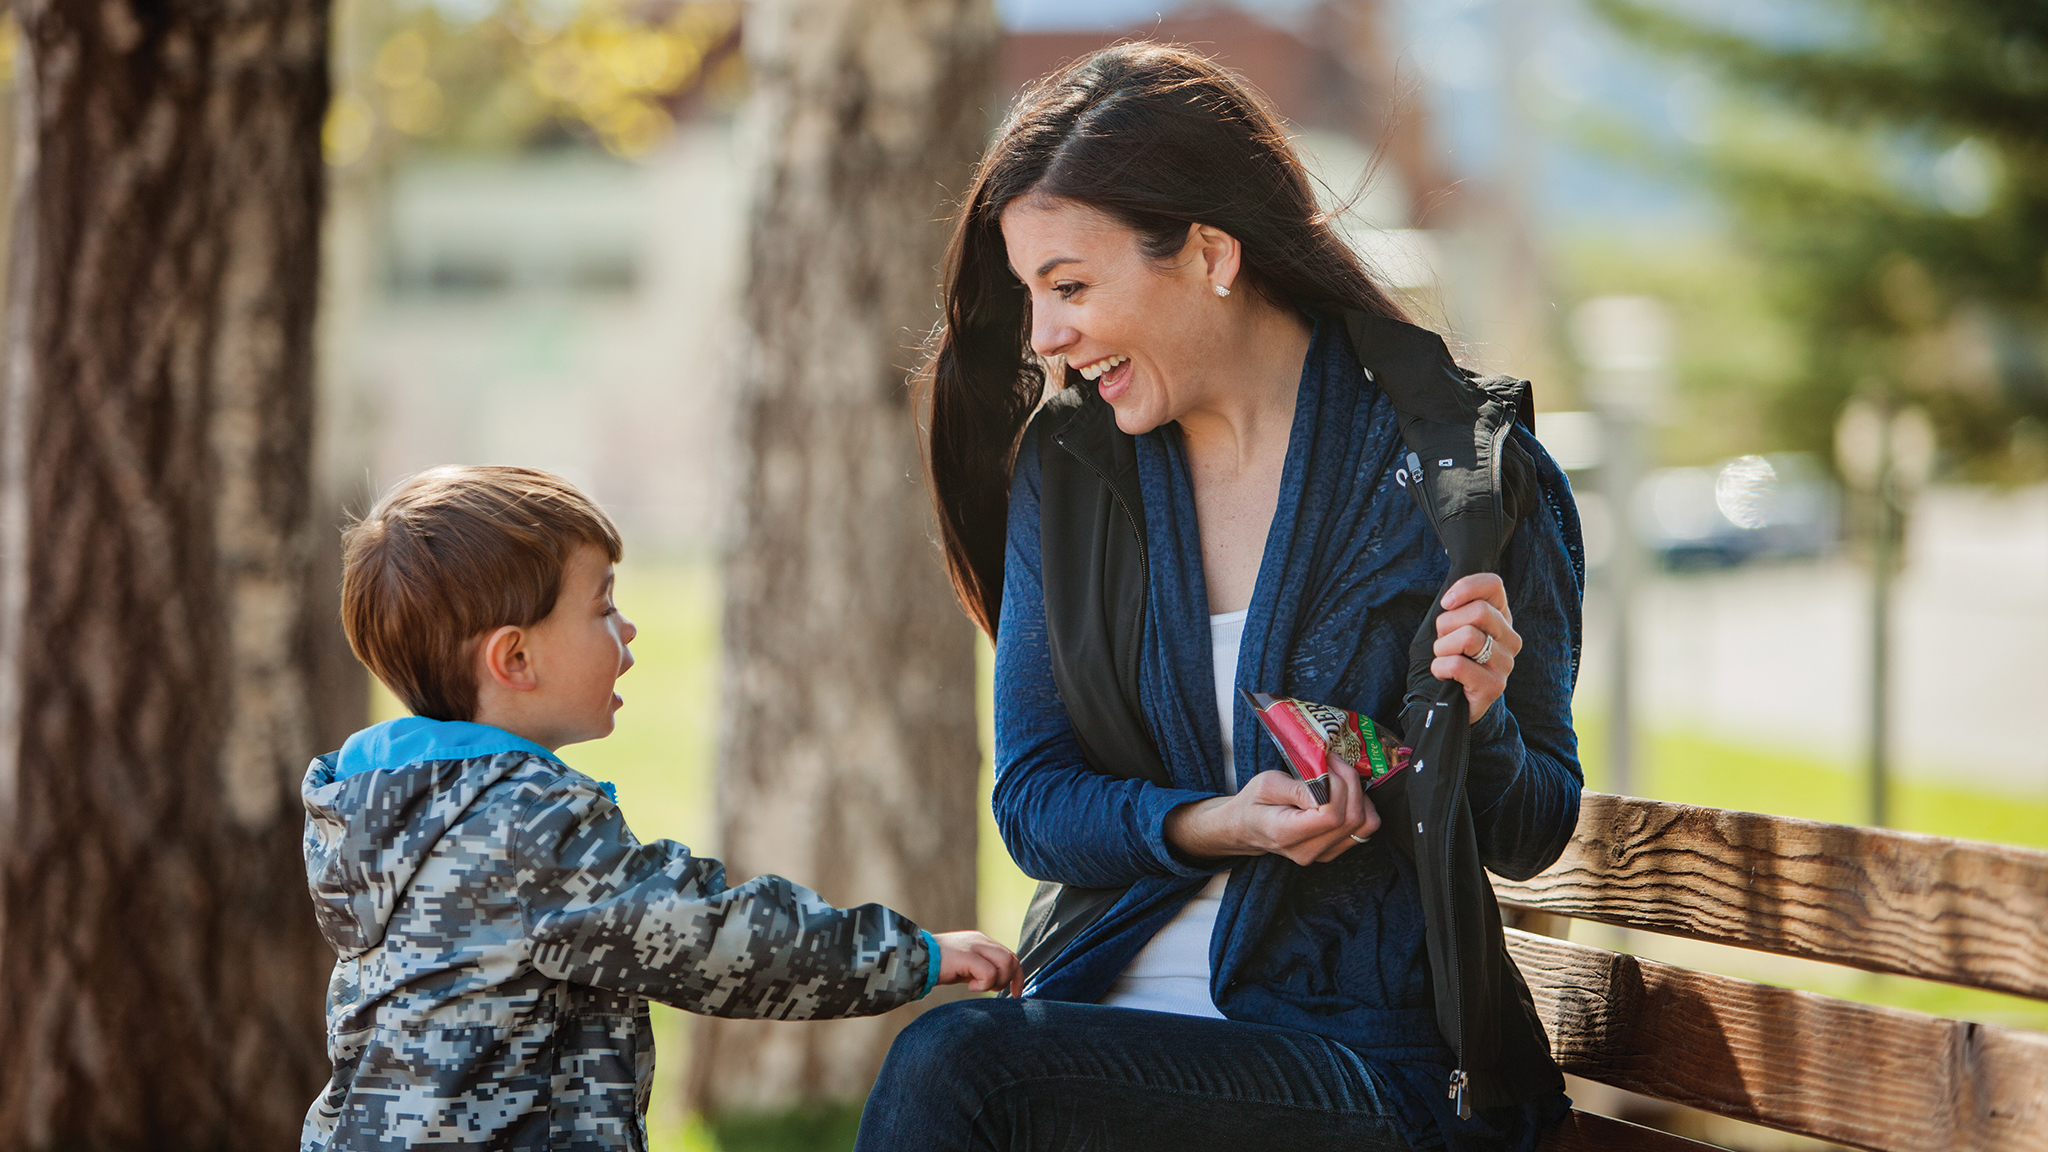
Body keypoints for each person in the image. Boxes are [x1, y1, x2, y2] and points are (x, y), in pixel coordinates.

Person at [856, 44, 1584, 1152]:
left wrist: (1476, 728)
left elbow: (1533, 831)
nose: (1046, 339)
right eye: (1030, 296)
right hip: (1098, 1027)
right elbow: (1035, 799)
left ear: (1207, 253)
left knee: (961, 1064)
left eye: (1071, 287)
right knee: (976, 1063)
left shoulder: (1458, 477)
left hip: (1360, 1067)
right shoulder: (1076, 470)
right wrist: (1211, 825)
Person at [299, 465, 1019, 1151]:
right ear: (514, 660)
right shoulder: (526, 830)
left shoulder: (377, 814)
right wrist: (914, 955)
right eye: (603, 605)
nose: (628, 628)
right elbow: (713, 939)